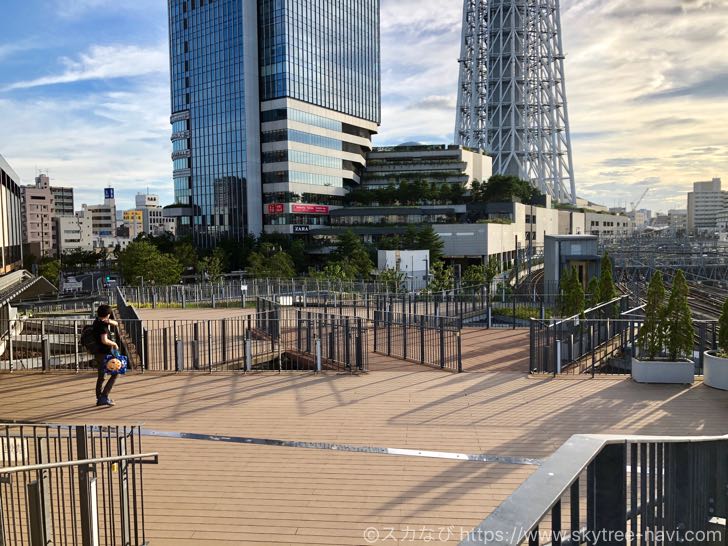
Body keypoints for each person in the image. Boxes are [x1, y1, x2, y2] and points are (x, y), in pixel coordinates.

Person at [93, 304, 120, 406]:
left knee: (101, 376)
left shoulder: (96, 322)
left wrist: (109, 321)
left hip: (98, 352)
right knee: (116, 372)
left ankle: (99, 397)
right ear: (108, 314)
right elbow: (104, 340)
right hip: (104, 353)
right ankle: (104, 396)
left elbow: (116, 324)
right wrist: (114, 344)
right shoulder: (102, 326)